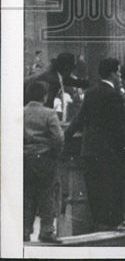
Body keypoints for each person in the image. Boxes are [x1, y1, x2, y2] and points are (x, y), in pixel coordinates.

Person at [63, 57, 125, 232]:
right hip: (109, 152)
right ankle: (116, 222)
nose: (120, 76)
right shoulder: (113, 95)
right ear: (113, 73)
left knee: (95, 189)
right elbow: (119, 124)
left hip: (89, 149)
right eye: (119, 72)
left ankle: (101, 222)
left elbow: (79, 118)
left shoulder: (91, 92)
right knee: (115, 186)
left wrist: (66, 135)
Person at [23, 80, 64, 243]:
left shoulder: (21, 112)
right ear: (44, 96)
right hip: (45, 157)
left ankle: (24, 230)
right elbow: (58, 138)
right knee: (47, 194)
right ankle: (46, 231)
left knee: (27, 195)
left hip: (25, 158)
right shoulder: (49, 113)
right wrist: (55, 154)